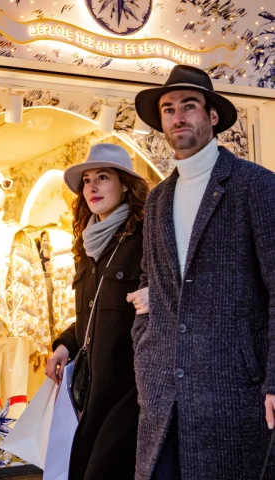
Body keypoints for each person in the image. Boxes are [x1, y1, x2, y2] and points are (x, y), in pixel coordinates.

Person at [132, 64, 275, 480]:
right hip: (163, 394)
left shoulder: (255, 186)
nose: (178, 116)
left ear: (212, 116)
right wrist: (145, 345)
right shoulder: (158, 199)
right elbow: (149, 280)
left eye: (189, 106)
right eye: (168, 108)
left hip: (234, 391)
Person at [45, 143, 149, 480]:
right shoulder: (88, 247)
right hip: (92, 390)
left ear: (125, 185)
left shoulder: (144, 238)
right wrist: (66, 344)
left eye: (102, 177)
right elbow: (95, 314)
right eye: (87, 180)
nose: (91, 186)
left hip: (130, 391)